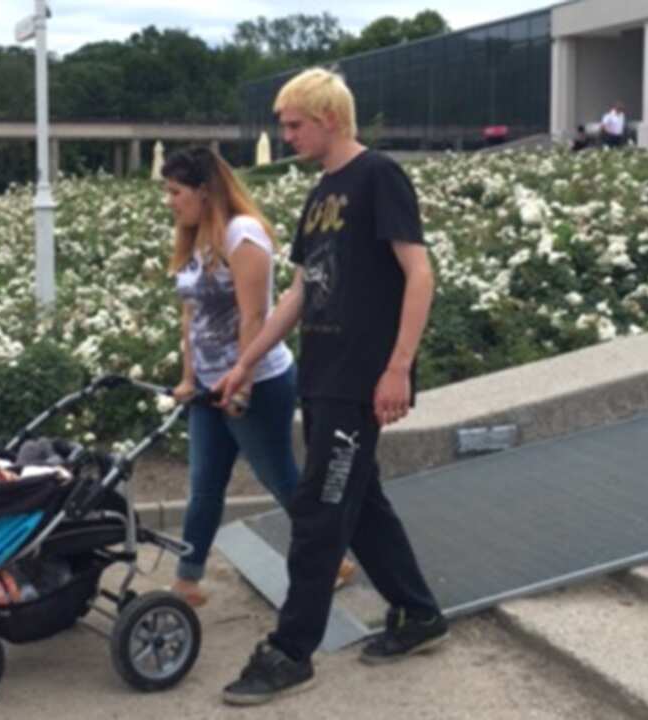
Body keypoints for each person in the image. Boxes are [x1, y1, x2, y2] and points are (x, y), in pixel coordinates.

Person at [214, 68, 447, 706]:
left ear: (330, 120)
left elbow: (419, 273)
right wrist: (246, 363)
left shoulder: (379, 177)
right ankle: (419, 614)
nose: (285, 135)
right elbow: (297, 293)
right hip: (321, 379)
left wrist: (399, 366)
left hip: (361, 380)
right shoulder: (321, 193)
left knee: (318, 513)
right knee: (360, 503)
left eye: (294, 124)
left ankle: (291, 652)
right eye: (283, 125)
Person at [161, 147, 355, 609]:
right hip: (210, 386)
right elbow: (191, 316)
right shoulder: (196, 240)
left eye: (175, 191)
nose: (169, 201)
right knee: (204, 484)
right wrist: (189, 378)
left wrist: (242, 384)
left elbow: (254, 317)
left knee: (280, 478)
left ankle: (333, 561)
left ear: (205, 192)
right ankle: (188, 583)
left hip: (257, 383)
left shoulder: (242, 236)